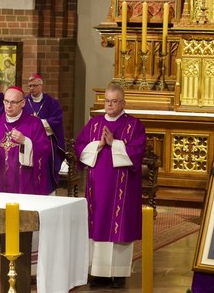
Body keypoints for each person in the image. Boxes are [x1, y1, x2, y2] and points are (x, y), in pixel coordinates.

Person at [74, 83, 146, 289]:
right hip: (96, 187)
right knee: (97, 224)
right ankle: (96, 272)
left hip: (122, 187)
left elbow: (137, 152)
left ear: (123, 103)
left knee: (119, 226)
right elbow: (79, 147)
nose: (110, 105)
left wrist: (114, 142)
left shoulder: (134, 125)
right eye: (107, 101)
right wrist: (98, 144)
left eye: (114, 101)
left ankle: (118, 274)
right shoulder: (94, 123)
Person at [0, 86, 51, 194]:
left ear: (23, 103)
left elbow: (44, 149)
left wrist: (25, 141)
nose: (8, 106)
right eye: (6, 101)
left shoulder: (34, 123)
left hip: (23, 182)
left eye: (13, 102)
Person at [24, 73, 66, 194]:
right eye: (30, 86)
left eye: (35, 85)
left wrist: (40, 123)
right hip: (28, 142)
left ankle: (47, 192)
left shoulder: (51, 102)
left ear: (41, 86)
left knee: (46, 169)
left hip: (46, 143)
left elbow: (57, 120)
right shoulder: (24, 102)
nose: (32, 88)